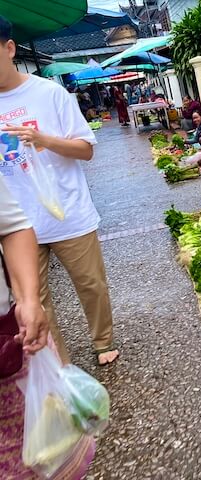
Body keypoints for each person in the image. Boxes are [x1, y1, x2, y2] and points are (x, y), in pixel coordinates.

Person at [0, 15, 119, 366]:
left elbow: (85, 149)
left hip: (68, 212)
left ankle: (103, 341)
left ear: (9, 49)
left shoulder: (49, 93)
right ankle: (59, 364)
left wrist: (42, 140)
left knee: (91, 285)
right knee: (33, 300)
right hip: (17, 225)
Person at [0, 178, 96, 479]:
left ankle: (102, 343)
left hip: (7, 345)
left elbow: (12, 227)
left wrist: (28, 299)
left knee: (38, 456)